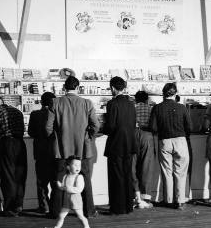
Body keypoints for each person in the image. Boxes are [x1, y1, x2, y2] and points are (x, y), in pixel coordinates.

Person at [46, 76, 100, 219]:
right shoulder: (87, 103)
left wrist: (56, 137)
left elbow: (48, 128)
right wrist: (88, 136)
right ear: (78, 88)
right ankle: (89, 211)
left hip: (61, 149)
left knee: (59, 181)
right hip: (82, 149)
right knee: (85, 180)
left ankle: (55, 212)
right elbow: (96, 125)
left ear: (64, 88)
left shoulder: (55, 102)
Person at [150, 82, 191, 210]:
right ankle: (180, 201)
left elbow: (153, 127)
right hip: (180, 141)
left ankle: (168, 199)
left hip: (164, 141)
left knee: (167, 171)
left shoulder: (157, 108)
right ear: (175, 93)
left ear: (163, 93)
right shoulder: (182, 108)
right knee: (180, 172)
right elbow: (190, 127)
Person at [0, 95, 27, 217]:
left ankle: (10, 207)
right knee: (20, 175)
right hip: (20, 143)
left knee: (8, 175)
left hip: (7, 143)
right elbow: (23, 128)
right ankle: (19, 205)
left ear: (0, 101)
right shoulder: (17, 111)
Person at [104, 76, 137, 215]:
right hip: (129, 144)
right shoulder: (131, 103)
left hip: (116, 144)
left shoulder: (112, 104)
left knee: (116, 176)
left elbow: (110, 126)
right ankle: (128, 205)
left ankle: (117, 207)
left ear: (112, 88)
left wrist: (104, 128)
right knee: (127, 174)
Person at [43, 156, 92, 228]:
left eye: (79, 165)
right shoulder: (66, 176)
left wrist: (67, 188)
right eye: (75, 165)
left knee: (80, 216)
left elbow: (79, 189)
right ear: (68, 167)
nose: (78, 167)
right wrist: (60, 185)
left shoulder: (79, 177)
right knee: (61, 216)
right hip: (66, 200)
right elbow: (63, 187)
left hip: (75, 199)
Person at [27, 92, 56, 214]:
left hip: (40, 151)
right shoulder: (56, 114)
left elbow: (30, 132)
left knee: (41, 182)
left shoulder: (35, 114)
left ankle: (44, 206)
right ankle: (56, 205)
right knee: (55, 181)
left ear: (41, 101)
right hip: (55, 151)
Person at [133, 91, 158, 208]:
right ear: (147, 99)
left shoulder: (133, 108)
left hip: (133, 135)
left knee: (133, 166)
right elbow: (155, 125)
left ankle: (135, 196)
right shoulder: (151, 109)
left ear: (136, 99)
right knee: (146, 167)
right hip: (147, 135)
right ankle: (146, 198)